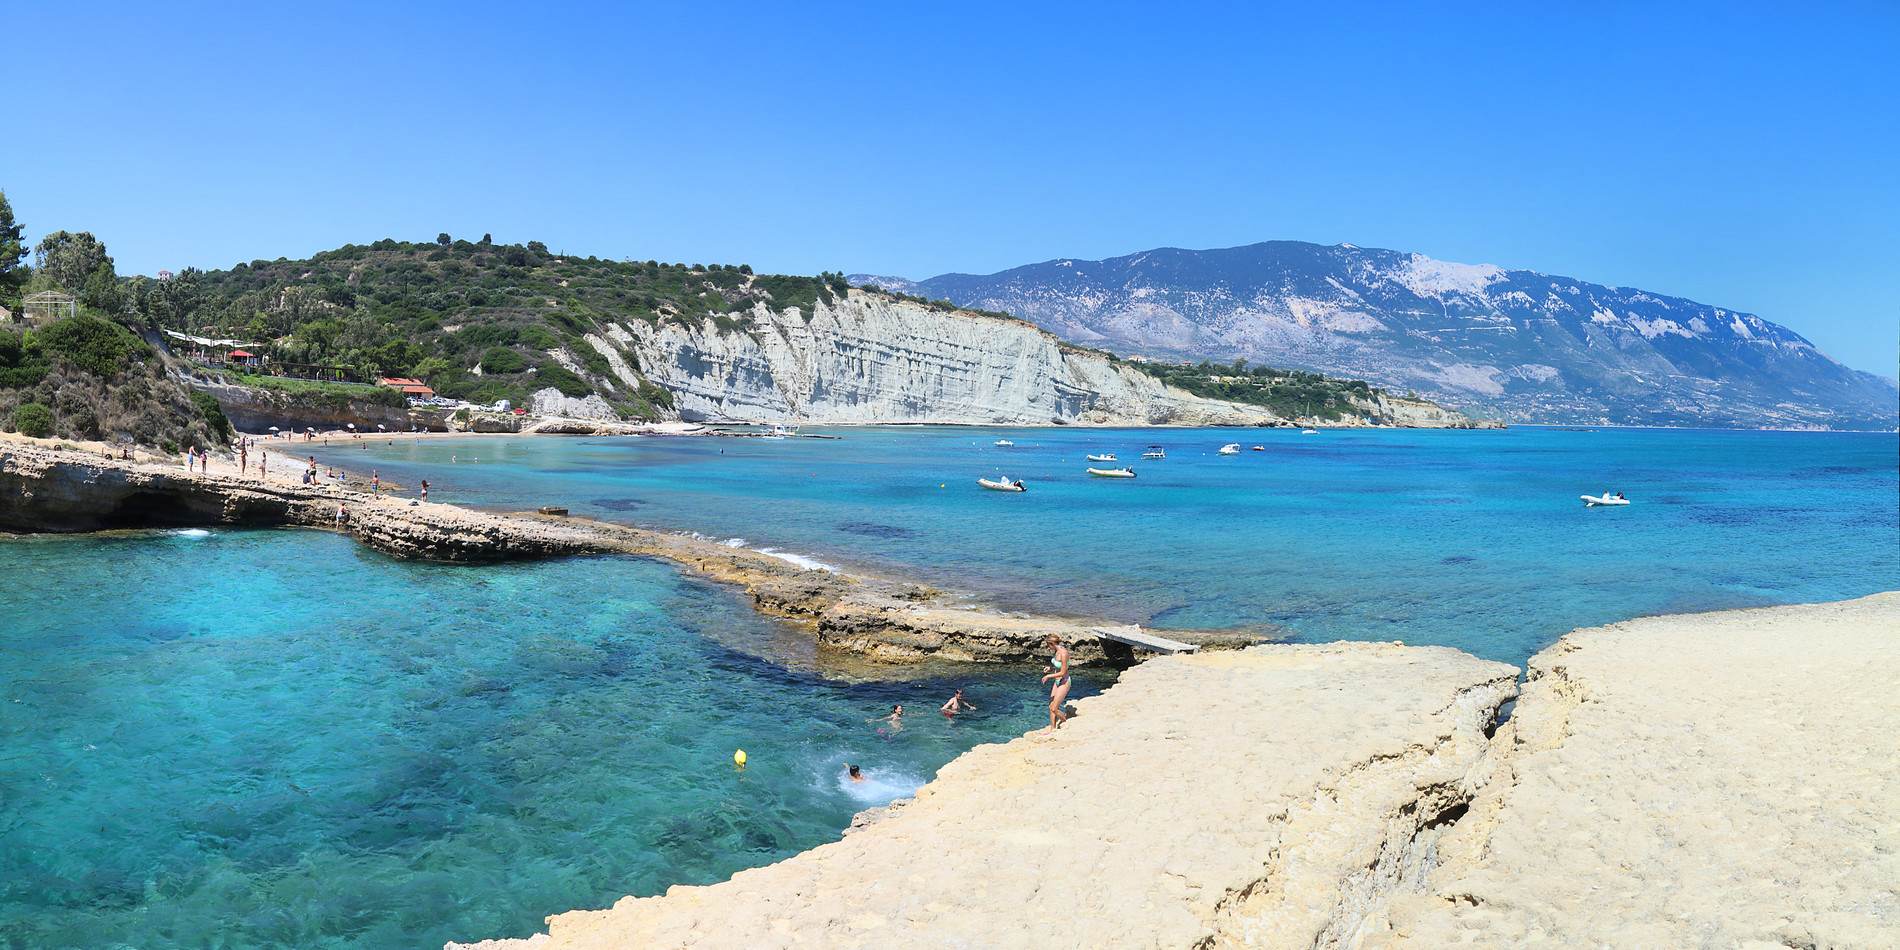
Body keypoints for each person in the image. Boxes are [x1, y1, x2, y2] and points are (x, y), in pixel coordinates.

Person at [1040, 634, 1073, 734]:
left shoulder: (1064, 653)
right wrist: (1050, 667)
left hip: (1064, 681)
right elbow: (1057, 664)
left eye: (1049, 645)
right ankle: (1052, 729)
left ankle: (1066, 725)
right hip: (1057, 681)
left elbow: (1063, 672)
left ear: (1053, 643)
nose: (1048, 647)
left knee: (1054, 708)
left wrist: (1048, 676)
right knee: (1051, 706)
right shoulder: (1057, 651)